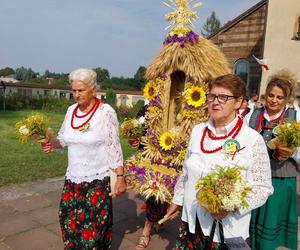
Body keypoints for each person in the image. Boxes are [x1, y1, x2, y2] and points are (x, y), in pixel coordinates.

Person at [164, 74, 273, 249]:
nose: (215, 102)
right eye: (212, 96)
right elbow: (186, 171)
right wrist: (177, 200)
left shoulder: (251, 139)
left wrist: (231, 207)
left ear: (238, 102)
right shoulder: (198, 131)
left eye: (223, 97)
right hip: (192, 221)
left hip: (226, 229)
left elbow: (263, 188)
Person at [41, 68, 126, 249]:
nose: (76, 95)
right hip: (73, 180)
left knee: (91, 233)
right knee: (68, 223)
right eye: (74, 91)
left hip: (97, 181)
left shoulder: (105, 112)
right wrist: (52, 143)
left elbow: (114, 146)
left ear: (93, 90)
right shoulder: (71, 110)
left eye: (81, 90)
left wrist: (120, 177)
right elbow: (64, 139)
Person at [246, 70, 300, 249]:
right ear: (265, 95)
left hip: (281, 180)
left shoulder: (295, 116)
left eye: (279, 97)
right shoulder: (253, 114)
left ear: (287, 99)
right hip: (255, 177)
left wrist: (290, 152)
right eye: (271, 95)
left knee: (271, 226)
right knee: (250, 224)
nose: (274, 100)